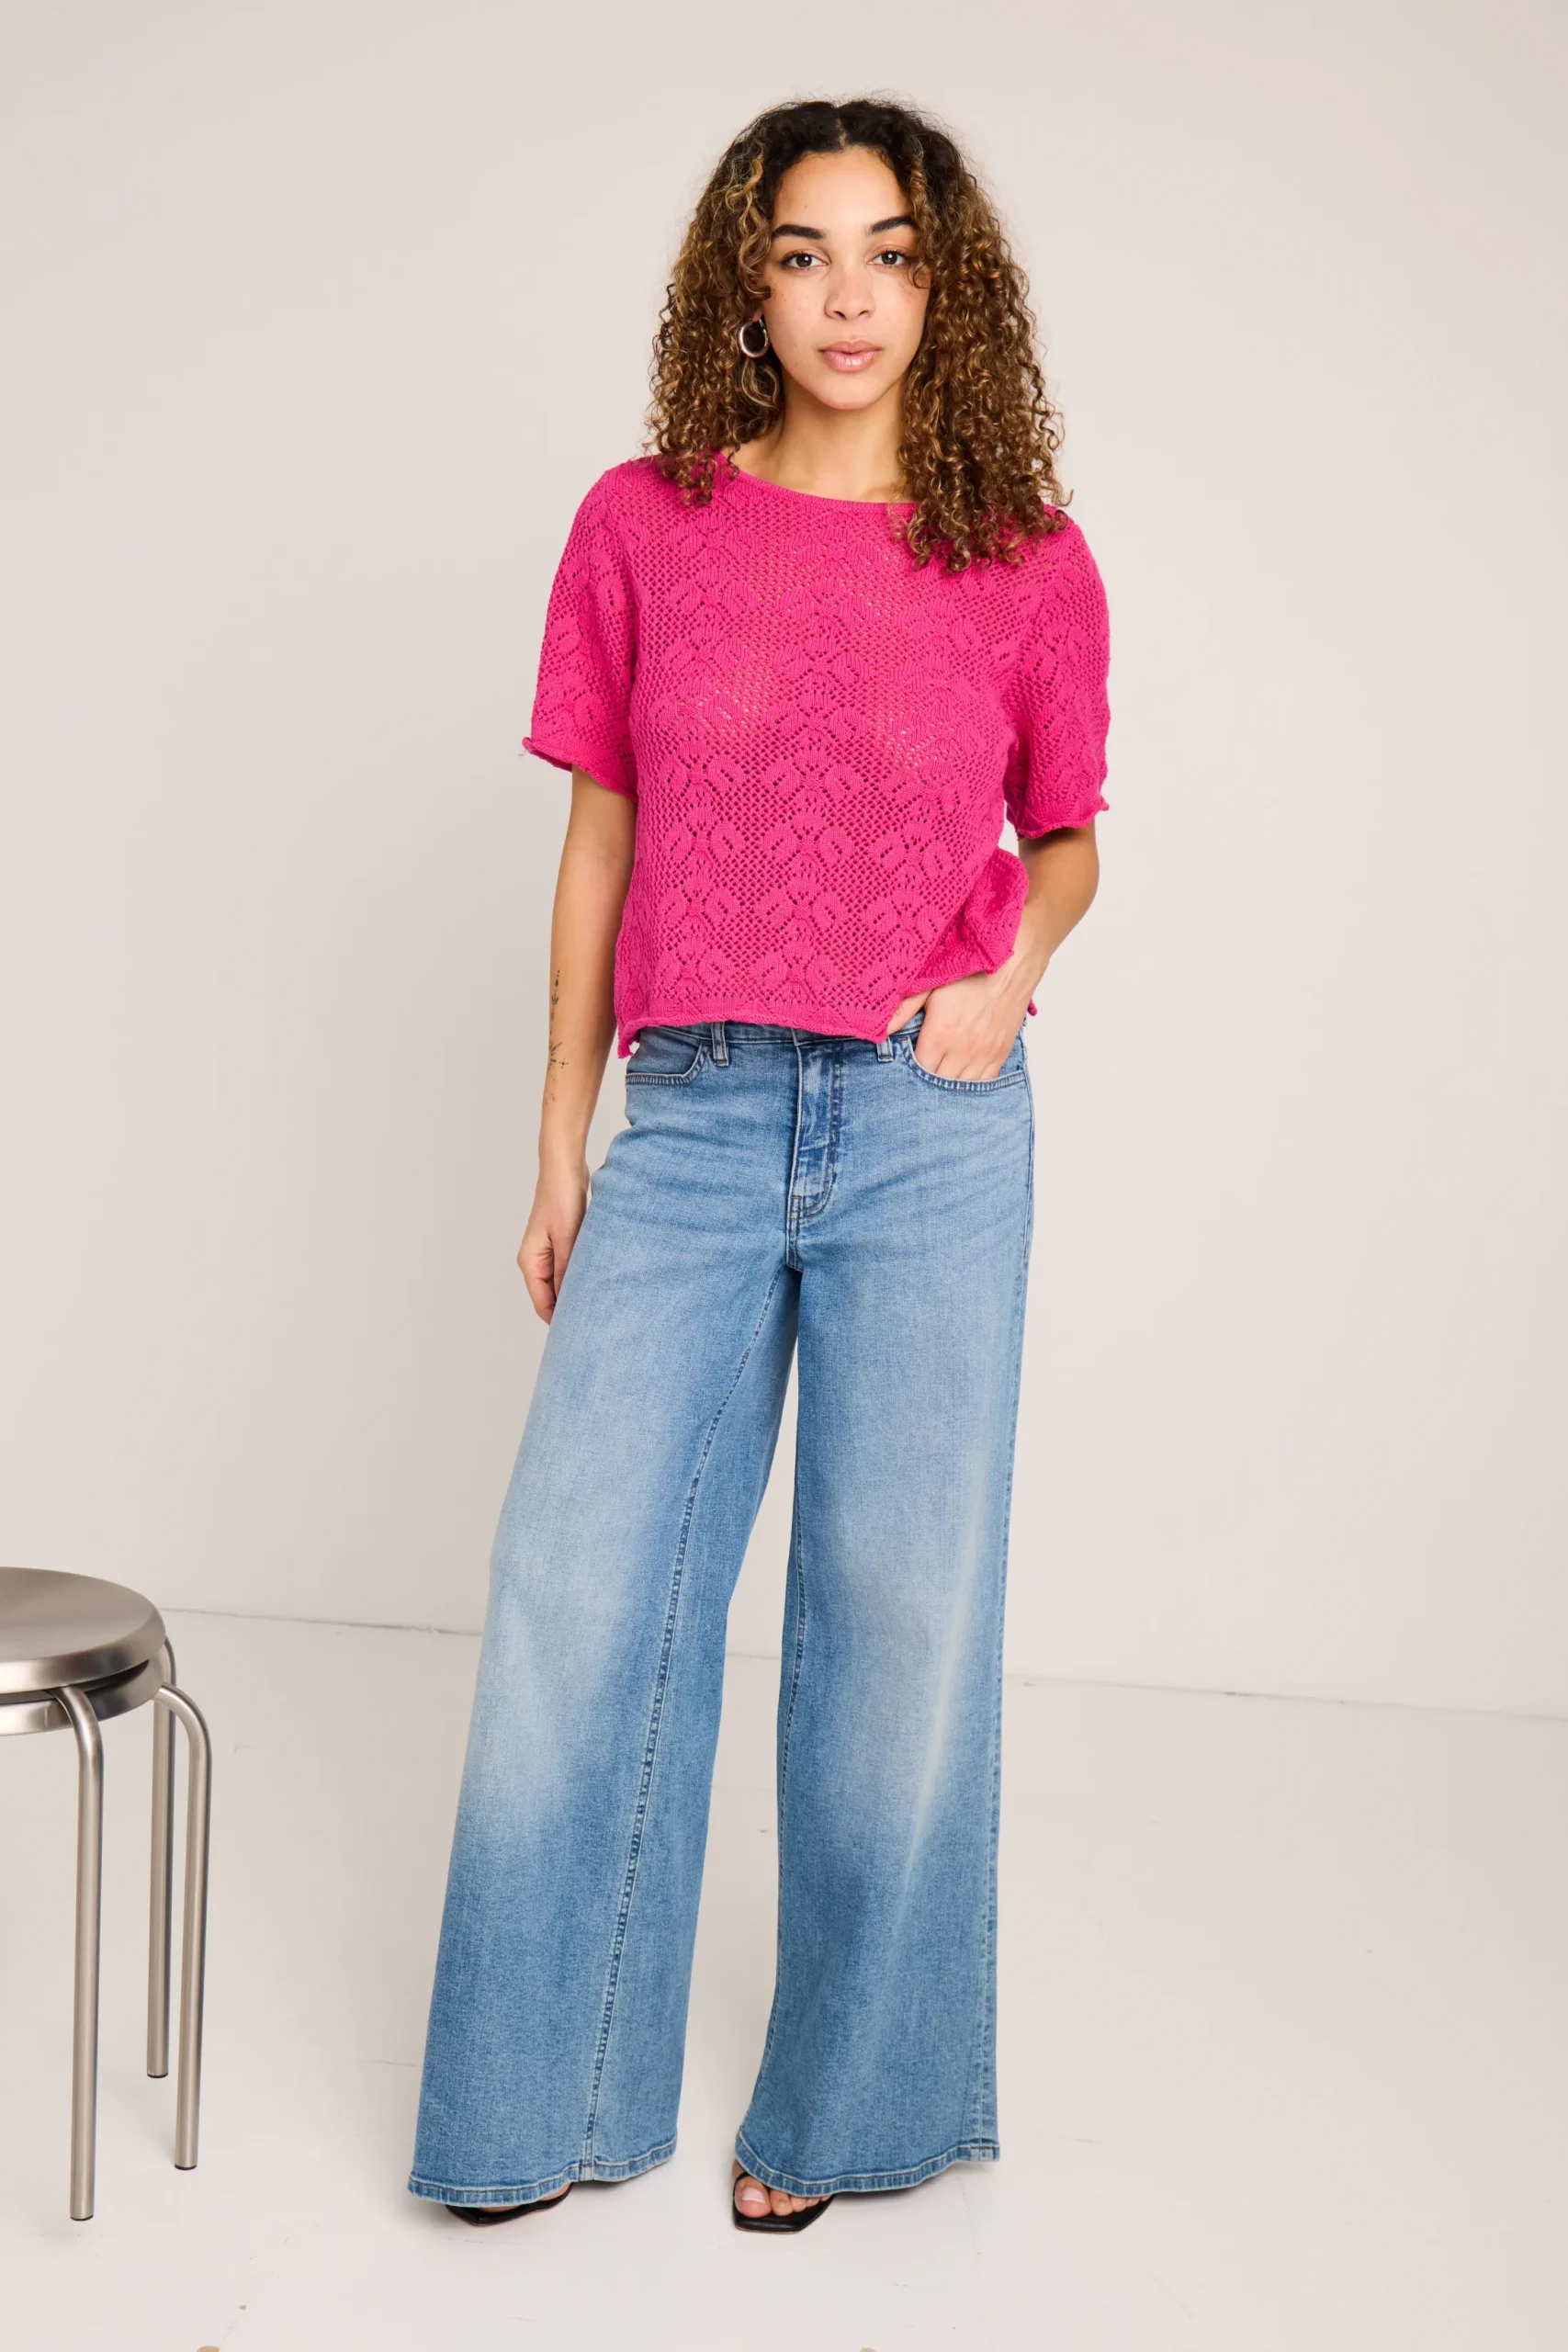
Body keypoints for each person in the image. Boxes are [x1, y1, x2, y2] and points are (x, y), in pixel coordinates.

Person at [407, 94, 1111, 2235]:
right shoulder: (646, 524)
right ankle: (540, 2100)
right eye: (804, 255)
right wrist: (560, 1126)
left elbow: (1066, 841)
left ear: (945, 288)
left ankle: (846, 2110)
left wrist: (1009, 975)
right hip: (695, 1114)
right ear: (746, 282)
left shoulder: (1025, 558)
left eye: (888, 254)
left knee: (896, 1618)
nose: (846, 298)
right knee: (575, 1586)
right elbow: (596, 834)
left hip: (925, 1123)